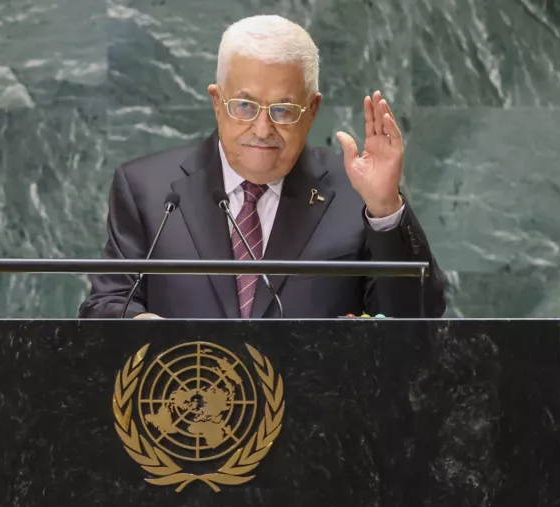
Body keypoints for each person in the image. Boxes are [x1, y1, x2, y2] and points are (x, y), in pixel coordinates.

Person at [79, 15, 445, 319]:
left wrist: (385, 209)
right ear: (217, 102)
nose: (262, 128)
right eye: (244, 106)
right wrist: (154, 333)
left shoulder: (356, 192)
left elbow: (419, 319)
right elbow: (105, 306)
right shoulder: (147, 189)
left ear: (312, 110)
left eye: (283, 110)